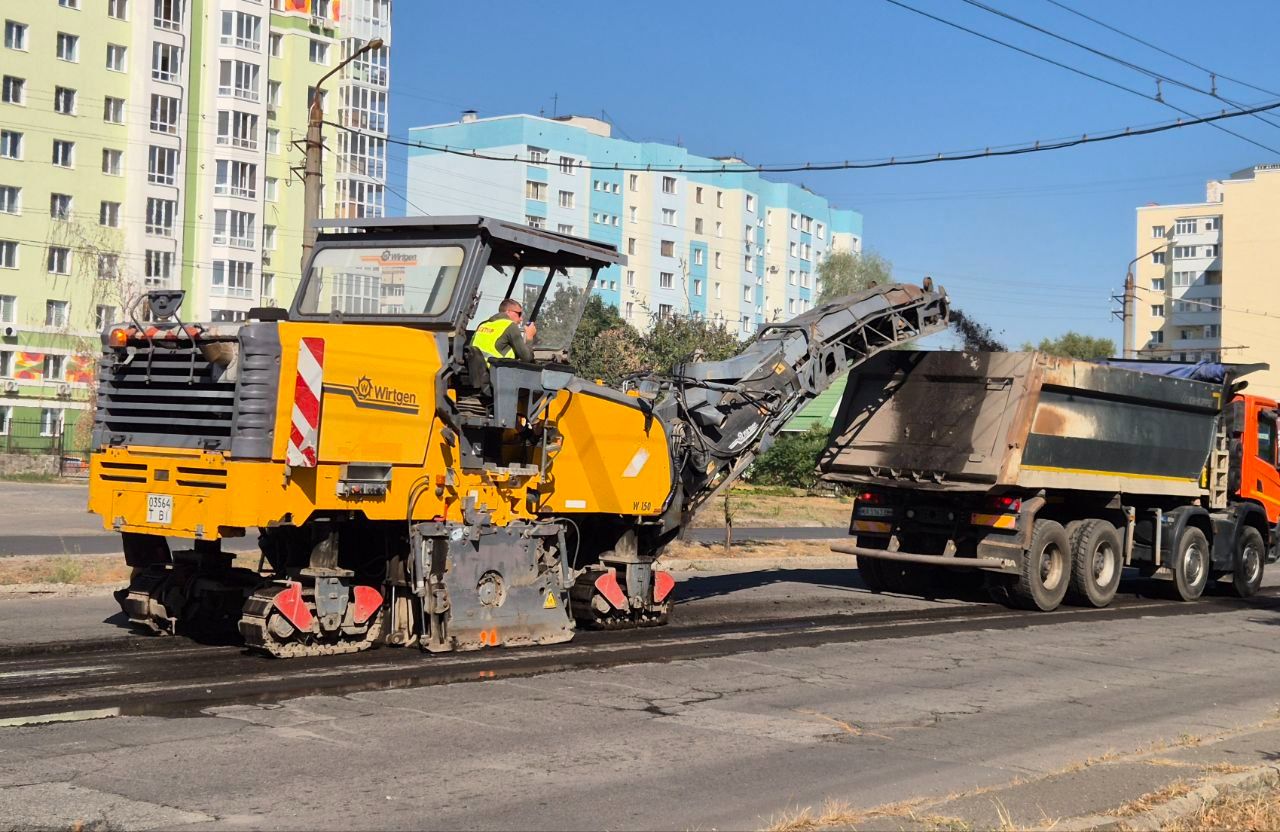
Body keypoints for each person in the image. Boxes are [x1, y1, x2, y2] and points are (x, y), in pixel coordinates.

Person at [471, 298, 537, 364]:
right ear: (508, 312)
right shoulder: (510, 326)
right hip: (496, 371)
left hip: (476, 369)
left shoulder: (483, 324)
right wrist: (529, 336)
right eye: (519, 314)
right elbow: (527, 359)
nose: (521, 319)